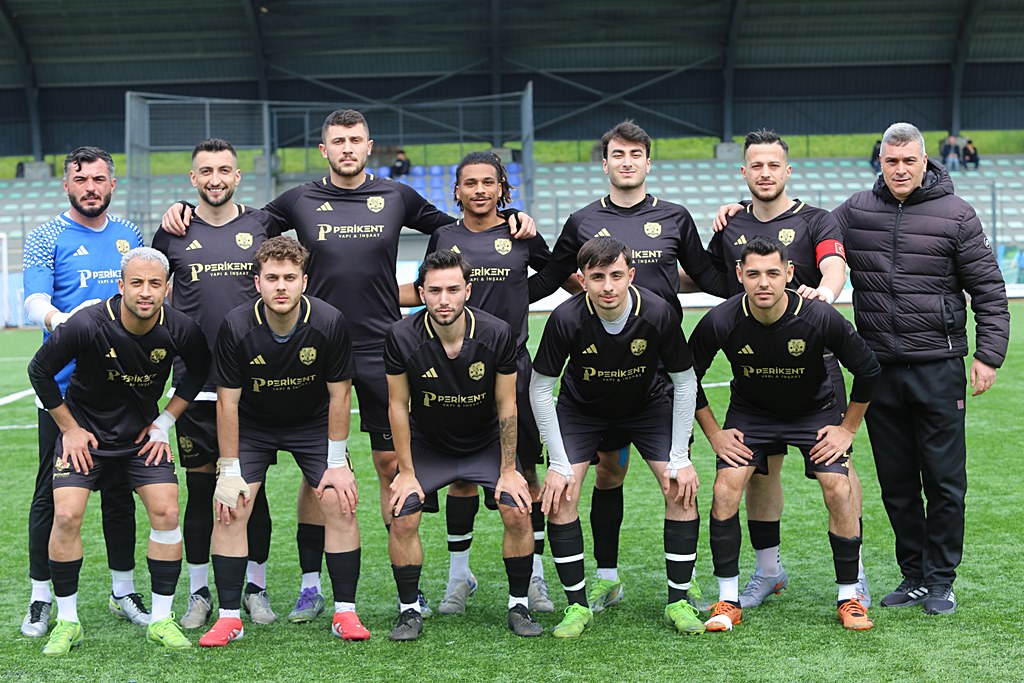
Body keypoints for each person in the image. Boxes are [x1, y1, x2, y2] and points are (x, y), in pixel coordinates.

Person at [160, 109, 536, 620]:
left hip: (383, 349)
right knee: (317, 468)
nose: (347, 148)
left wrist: (512, 219)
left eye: (355, 140)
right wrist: (185, 208)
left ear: (369, 145)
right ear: (325, 150)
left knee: (391, 465)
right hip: (315, 350)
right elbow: (236, 220)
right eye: (337, 141)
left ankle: (411, 592)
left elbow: (459, 228)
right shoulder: (299, 199)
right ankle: (311, 585)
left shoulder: (396, 196)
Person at [528, 120, 720, 615]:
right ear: (606, 162)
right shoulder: (582, 220)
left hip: (655, 378)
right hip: (593, 379)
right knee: (608, 473)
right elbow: (548, 278)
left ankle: (683, 586)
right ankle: (606, 580)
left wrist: (765, 274)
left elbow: (707, 274)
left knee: (678, 480)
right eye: (618, 154)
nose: (627, 161)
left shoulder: (675, 216)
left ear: (648, 162)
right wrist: (503, 269)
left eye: (636, 154)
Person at [831, 122, 1009, 615]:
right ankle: (913, 575)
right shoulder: (856, 210)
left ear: (925, 161)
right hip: (878, 371)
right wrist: (739, 214)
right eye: (892, 161)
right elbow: (809, 235)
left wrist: (988, 354)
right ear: (881, 162)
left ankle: (941, 580)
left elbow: (989, 291)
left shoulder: (956, 214)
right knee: (897, 482)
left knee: (945, 481)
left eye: (910, 160)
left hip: (938, 366)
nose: (901, 169)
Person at [691, 129, 868, 611]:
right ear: (744, 172)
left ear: (787, 171)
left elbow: (834, 267)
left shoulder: (817, 219)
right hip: (754, 372)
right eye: (757, 165)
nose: (765, 173)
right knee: (759, 472)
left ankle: (855, 575)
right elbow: (706, 277)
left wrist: (824, 296)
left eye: (774, 165)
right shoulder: (730, 224)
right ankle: (768, 572)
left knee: (838, 471)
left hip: (814, 367)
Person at [398, 151, 570, 615]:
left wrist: (518, 291)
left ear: (501, 189)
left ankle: (534, 578)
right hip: (456, 372)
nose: (479, 190)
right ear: (456, 191)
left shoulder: (519, 231)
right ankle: (459, 577)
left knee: (525, 472)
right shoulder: (445, 236)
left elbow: (552, 273)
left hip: (513, 368)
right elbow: (428, 285)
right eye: (470, 183)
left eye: (488, 182)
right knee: (461, 478)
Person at [27, 247, 211, 655]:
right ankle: (68, 621)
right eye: (137, 283)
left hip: (139, 440)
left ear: (167, 289)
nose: (145, 292)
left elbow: (199, 370)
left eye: (155, 284)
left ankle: (161, 620)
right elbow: (39, 370)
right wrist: (70, 429)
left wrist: (164, 423)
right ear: (121, 285)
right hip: (86, 438)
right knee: (66, 514)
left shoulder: (181, 328)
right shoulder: (87, 324)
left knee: (166, 512)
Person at [199, 236, 369, 647]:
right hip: (254, 425)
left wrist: (336, 464)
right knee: (231, 506)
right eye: (272, 278)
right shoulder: (236, 325)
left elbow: (340, 395)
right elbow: (227, 402)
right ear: (257, 282)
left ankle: (345, 612)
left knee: (339, 500)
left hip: (312, 423)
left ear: (304, 282)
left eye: (289, 278)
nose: (281, 286)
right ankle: (229, 618)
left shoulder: (328, 321)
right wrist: (229, 470)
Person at [531, 237, 702, 638]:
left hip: (647, 406)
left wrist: (680, 456)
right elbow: (540, 388)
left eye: (615, 275)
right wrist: (558, 463)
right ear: (582, 280)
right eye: (597, 277)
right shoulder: (566, 318)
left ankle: (678, 600)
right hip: (582, 410)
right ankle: (577, 607)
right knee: (562, 494)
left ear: (631, 275)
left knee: (680, 487)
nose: (607, 286)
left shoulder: (657, 312)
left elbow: (684, 381)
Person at [151, 138, 278, 629]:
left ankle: (256, 588)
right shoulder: (173, 232)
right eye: (205, 171)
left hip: (252, 385)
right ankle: (200, 592)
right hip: (195, 386)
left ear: (237, 176)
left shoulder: (262, 225)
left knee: (251, 492)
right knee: (202, 488)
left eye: (224, 170)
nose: (215, 179)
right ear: (193, 179)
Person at [384, 249, 542, 641]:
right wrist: (406, 473)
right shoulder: (401, 336)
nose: (444, 299)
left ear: (467, 291)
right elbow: (398, 406)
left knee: (518, 509)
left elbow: (507, 404)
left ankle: (519, 604)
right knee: (402, 514)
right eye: (435, 290)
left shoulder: (496, 333)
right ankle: (408, 611)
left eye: (453, 289)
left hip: (485, 443)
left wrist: (510, 470)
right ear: (421, 293)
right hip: (430, 445)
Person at [21, 147, 145, 638]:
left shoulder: (129, 234)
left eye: (98, 179)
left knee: (118, 493)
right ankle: (40, 597)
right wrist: (65, 322)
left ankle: (123, 591)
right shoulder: (46, 236)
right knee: (49, 496)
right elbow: (33, 301)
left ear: (112, 184)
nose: (90, 187)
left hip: (121, 389)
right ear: (66, 185)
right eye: (80, 179)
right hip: (62, 390)